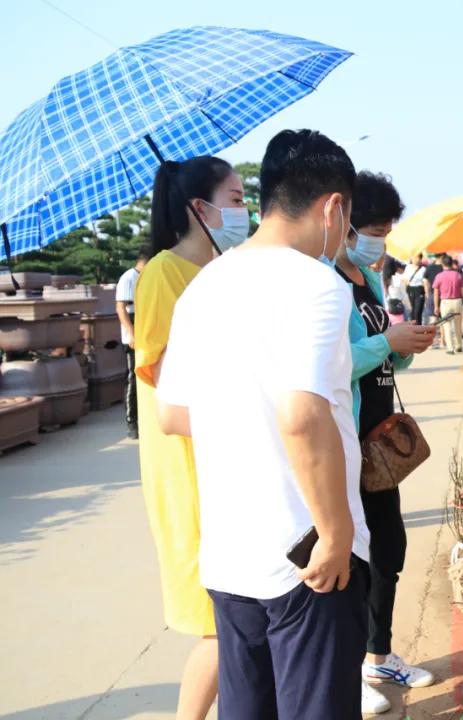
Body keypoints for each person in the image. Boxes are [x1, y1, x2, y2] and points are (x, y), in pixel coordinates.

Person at [155, 129, 370, 719]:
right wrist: (336, 534)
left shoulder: (204, 285)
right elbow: (301, 415)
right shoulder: (317, 285)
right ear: (333, 207)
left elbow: (171, 413)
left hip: (231, 553)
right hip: (307, 558)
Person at [135, 155, 247, 719]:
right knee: (219, 622)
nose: (246, 210)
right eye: (236, 199)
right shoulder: (164, 273)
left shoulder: (223, 270)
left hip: (228, 452)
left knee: (236, 616)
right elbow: (163, 381)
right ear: (199, 208)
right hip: (189, 460)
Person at [335, 173, 437, 714]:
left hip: (379, 443)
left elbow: (382, 358)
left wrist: (404, 346)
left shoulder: (368, 279)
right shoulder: (326, 281)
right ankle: (346, 669)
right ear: (347, 225)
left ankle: (378, 654)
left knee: (388, 550)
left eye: (386, 231)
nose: (380, 241)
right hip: (345, 441)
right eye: (374, 230)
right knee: (349, 560)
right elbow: (333, 364)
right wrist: (385, 342)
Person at [116, 246, 149, 439]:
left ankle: (144, 419)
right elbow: (121, 308)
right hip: (133, 332)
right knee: (133, 377)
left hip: (146, 329)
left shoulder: (148, 277)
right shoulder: (129, 278)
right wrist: (131, 334)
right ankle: (131, 421)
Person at [431, 254, 463, 354]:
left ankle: (450, 348)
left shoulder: (439, 276)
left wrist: (436, 306)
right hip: (457, 301)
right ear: (451, 263)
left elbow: (436, 293)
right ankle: (459, 345)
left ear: (442, 264)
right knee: (458, 325)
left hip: (445, 302)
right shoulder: (458, 275)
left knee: (447, 326)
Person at [404, 252, 427, 325]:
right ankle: (413, 328)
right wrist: (405, 293)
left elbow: (425, 283)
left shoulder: (423, 269)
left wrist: (427, 294)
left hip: (419, 290)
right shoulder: (408, 267)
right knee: (412, 312)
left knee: (417, 312)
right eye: (414, 257)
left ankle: (418, 328)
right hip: (410, 290)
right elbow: (405, 280)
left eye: (418, 258)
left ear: (420, 259)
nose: (416, 259)